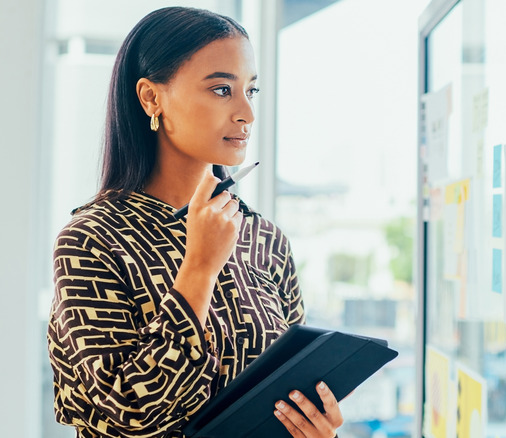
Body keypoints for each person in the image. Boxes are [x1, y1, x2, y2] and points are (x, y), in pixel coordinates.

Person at [46, 7, 343, 438]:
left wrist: (314, 426)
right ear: (151, 98)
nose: (246, 113)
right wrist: (199, 269)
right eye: (222, 89)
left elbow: (293, 381)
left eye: (251, 91)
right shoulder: (90, 241)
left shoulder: (265, 239)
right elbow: (128, 413)